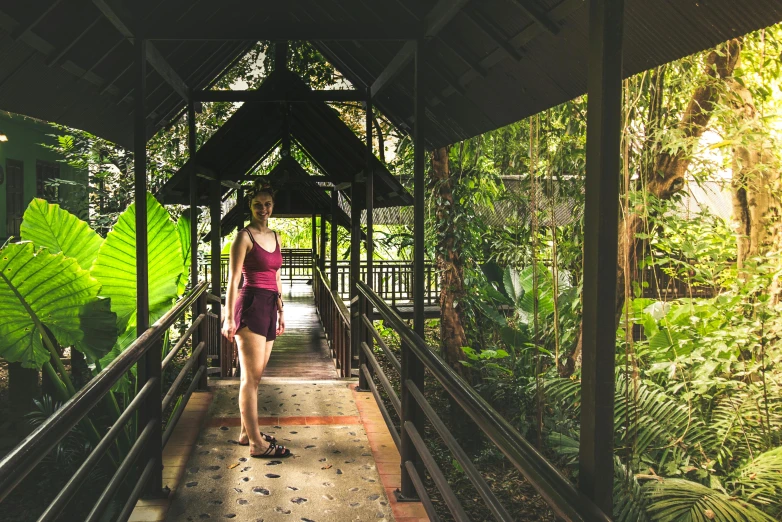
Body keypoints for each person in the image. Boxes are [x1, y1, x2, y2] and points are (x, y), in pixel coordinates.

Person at [221, 180, 291, 458]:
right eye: (258, 205)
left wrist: (282, 310)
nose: (264, 209)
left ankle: (244, 432)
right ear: (249, 207)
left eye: (268, 204)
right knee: (249, 379)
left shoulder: (275, 235)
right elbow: (233, 279)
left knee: (257, 376)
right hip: (250, 304)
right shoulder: (243, 237)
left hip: (270, 305)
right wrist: (228, 318)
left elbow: (276, 275)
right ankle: (257, 444)